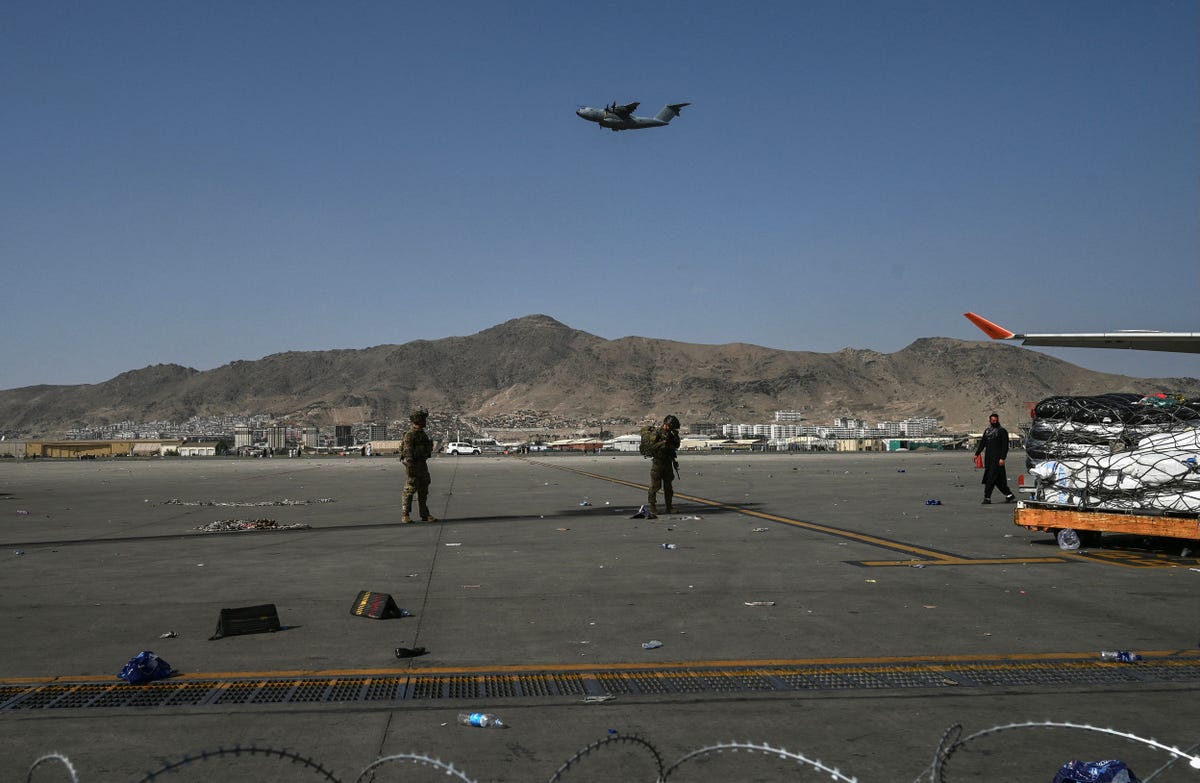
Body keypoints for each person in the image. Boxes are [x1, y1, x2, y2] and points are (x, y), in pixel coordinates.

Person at [401, 409, 438, 523]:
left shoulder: (422, 435)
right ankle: (405, 514)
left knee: (423, 490)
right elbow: (407, 451)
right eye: (424, 419)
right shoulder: (410, 435)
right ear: (419, 420)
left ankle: (424, 514)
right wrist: (410, 465)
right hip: (413, 465)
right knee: (410, 489)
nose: (425, 421)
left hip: (422, 464)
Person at [975, 412, 1015, 504]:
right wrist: (977, 454)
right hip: (988, 460)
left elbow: (1005, 446)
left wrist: (1002, 458)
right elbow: (982, 443)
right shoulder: (987, 431)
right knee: (998, 479)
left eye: (996, 420)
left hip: (997, 460)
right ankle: (1009, 495)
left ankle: (987, 498)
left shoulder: (1002, 431)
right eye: (993, 420)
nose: (994, 422)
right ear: (990, 421)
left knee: (990, 479)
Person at [647, 414, 682, 514]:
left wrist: (675, 437)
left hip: (668, 462)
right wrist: (663, 443)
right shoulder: (657, 433)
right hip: (658, 463)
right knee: (655, 486)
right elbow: (651, 447)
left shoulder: (672, 434)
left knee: (668, 487)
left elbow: (676, 445)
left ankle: (669, 507)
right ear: (666, 424)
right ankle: (652, 506)